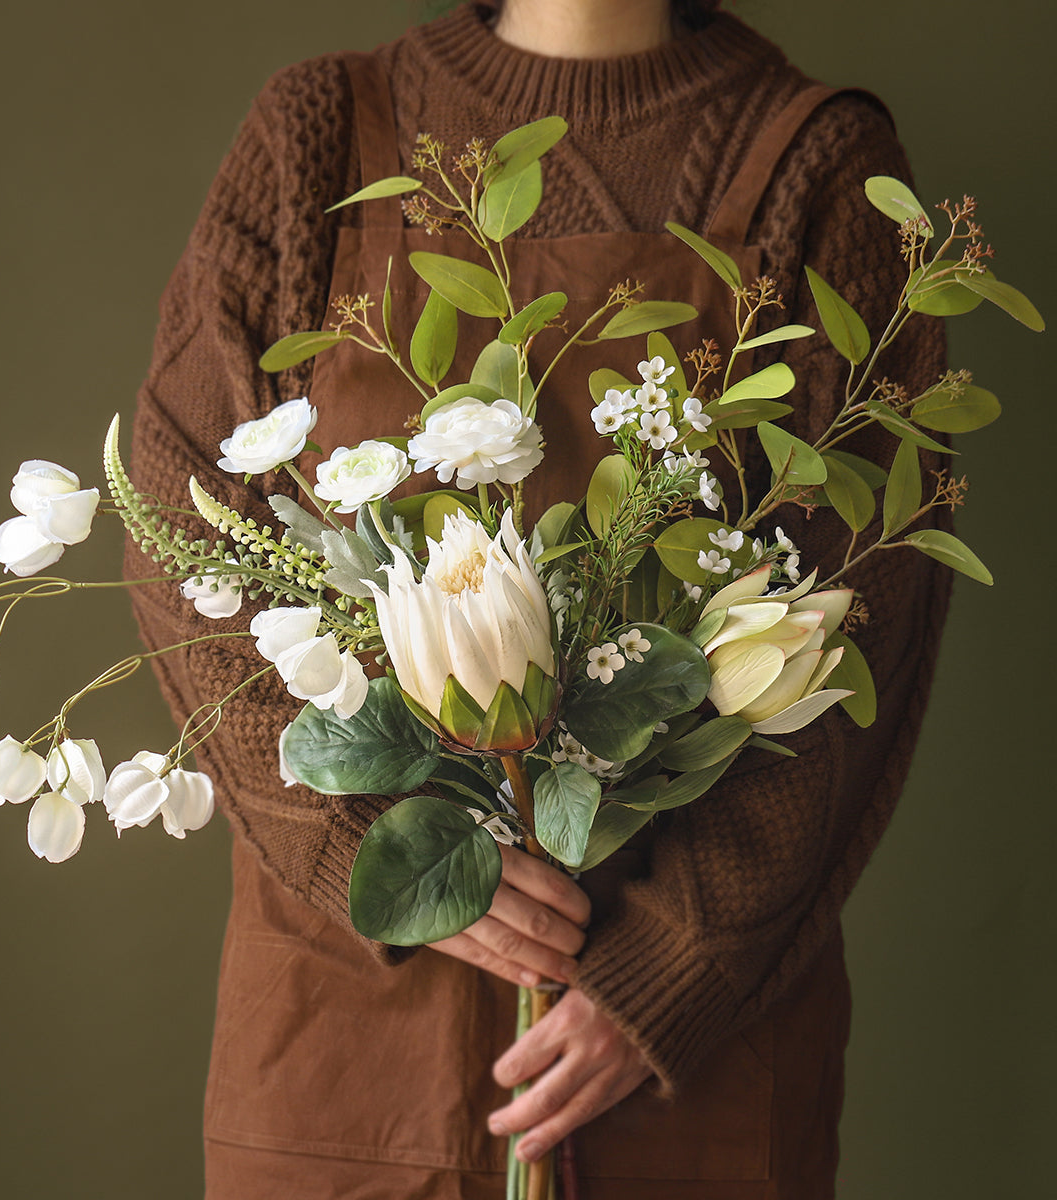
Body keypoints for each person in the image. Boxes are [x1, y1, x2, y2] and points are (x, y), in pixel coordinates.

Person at [124, 1, 950, 1196]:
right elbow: (183, 526)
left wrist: (672, 966)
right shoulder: (317, 134)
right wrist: (378, 853)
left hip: (682, 1064)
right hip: (342, 1038)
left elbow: (858, 607)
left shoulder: (818, 163)